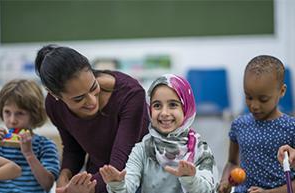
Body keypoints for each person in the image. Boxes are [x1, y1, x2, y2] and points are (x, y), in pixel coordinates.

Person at [35, 45, 149, 193]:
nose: (92, 101)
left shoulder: (131, 95)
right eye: (79, 98)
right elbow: (73, 149)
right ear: (55, 95)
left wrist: (85, 189)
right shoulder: (53, 105)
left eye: (93, 87)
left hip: (136, 180)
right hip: (94, 179)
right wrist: (64, 176)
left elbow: (121, 164)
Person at [99, 74, 218, 193]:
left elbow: (208, 190)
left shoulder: (200, 149)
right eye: (157, 105)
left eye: (173, 105)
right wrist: (117, 184)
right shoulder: (143, 149)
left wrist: (190, 179)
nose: (164, 113)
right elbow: (128, 187)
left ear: (187, 108)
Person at [218, 55, 295, 193]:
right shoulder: (239, 125)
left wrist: (268, 192)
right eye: (249, 97)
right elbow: (232, 162)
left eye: (263, 99)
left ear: (282, 91)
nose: (254, 105)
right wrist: (224, 181)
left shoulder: (291, 127)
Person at [0, 79, 60, 193]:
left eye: (20, 113)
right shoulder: (0, 144)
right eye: (7, 112)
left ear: (34, 115)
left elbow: (48, 184)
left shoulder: (45, 145)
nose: (12, 121)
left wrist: (29, 154)